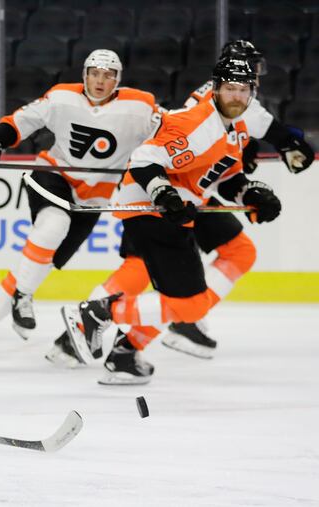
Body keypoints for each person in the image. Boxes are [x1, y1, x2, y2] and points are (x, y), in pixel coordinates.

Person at [59, 57, 283, 385]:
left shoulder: (233, 129)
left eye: (243, 90)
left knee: (186, 304)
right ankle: (99, 313)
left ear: (253, 92)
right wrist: (165, 195)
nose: (236, 96)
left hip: (171, 215)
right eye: (230, 89)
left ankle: (123, 353)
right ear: (216, 89)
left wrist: (251, 196)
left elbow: (224, 177)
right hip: (150, 211)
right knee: (190, 307)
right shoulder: (196, 122)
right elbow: (145, 159)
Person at [93, 40, 314, 360]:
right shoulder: (210, 110)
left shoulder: (238, 106)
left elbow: (237, 158)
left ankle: (150, 329)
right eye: (250, 70)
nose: (254, 79)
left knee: (230, 257)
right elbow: (168, 153)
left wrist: (251, 188)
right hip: (174, 194)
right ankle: (93, 323)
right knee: (152, 269)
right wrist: (162, 191)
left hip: (195, 193)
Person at [0, 49, 161, 354]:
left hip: (93, 200)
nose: (100, 81)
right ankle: (23, 297)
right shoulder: (62, 97)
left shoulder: (141, 106)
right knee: (53, 224)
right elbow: (19, 121)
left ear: (118, 79)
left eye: (108, 75)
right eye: (94, 73)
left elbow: (174, 132)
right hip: (52, 174)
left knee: (39, 263)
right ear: (84, 75)